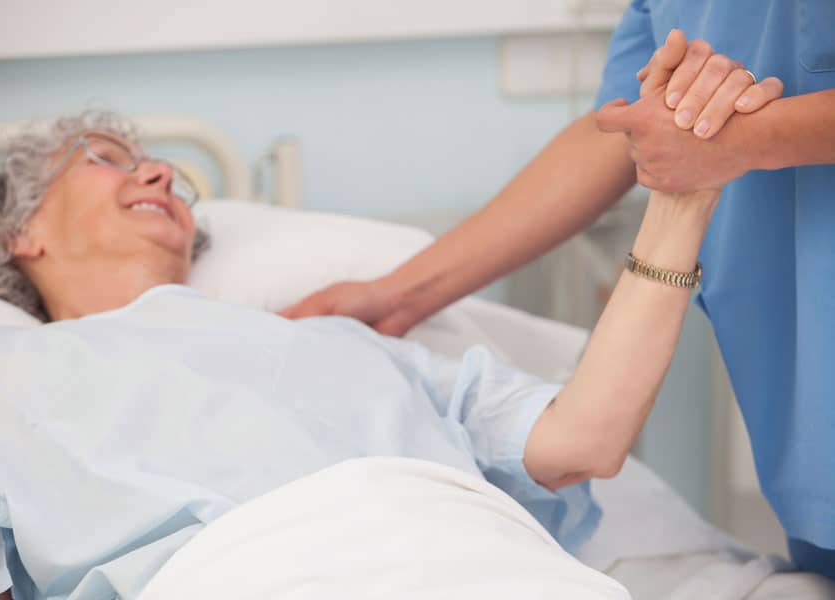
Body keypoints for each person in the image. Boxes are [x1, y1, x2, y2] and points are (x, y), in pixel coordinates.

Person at [0, 110, 720, 600]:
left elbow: (587, 438)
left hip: (481, 560)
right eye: (102, 157)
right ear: (20, 235)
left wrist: (683, 202)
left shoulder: (338, 339)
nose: (160, 171)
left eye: (160, 167)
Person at [282, 3, 835, 580]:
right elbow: (617, 128)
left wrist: (743, 141)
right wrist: (399, 295)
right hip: (801, 381)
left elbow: (577, 446)